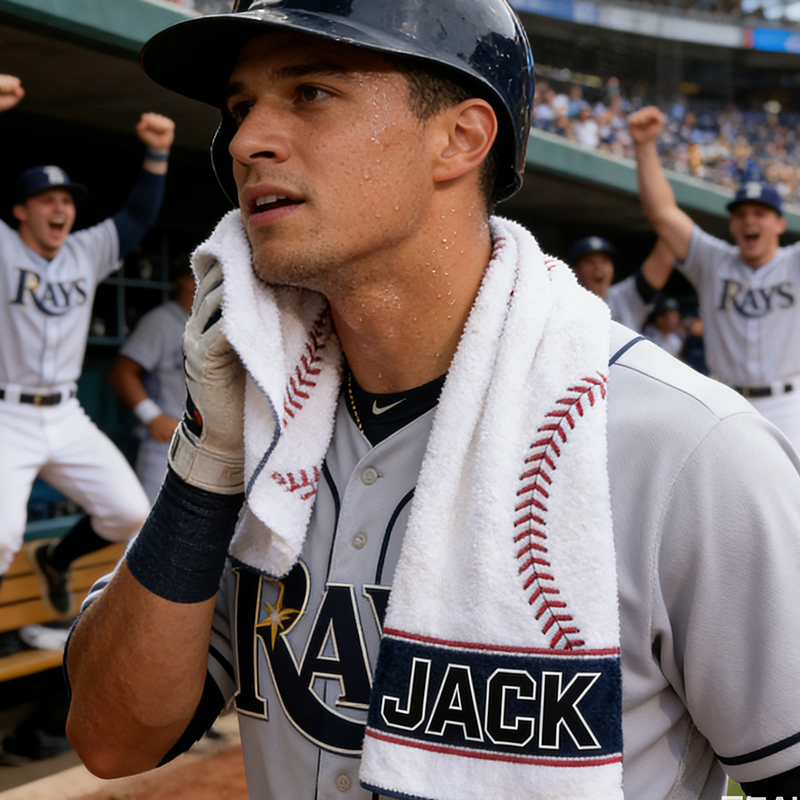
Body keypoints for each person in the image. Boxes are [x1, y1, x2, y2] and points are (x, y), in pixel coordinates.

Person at [64, 3, 800, 800]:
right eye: (241, 108)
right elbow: (112, 738)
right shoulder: (256, 428)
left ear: (462, 138)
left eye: (310, 93)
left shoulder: (688, 447)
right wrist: (204, 463)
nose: (245, 142)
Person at [0, 73, 174, 617]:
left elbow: (138, 216)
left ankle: (57, 557)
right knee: (0, 539)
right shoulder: (3, 246)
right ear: (21, 211)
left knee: (131, 516)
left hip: (66, 412)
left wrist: (159, 154)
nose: (60, 208)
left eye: (66, 200)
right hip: (7, 415)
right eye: (45, 199)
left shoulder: (85, 250)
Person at [629, 104, 800, 452]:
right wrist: (645, 146)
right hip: (726, 402)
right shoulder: (712, 260)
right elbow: (662, 214)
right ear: (733, 224)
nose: (749, 220)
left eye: (760, 213)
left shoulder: (794, 262)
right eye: (741, 214)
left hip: (788, 403)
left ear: (780, 224)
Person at [108, 257, 197, 503]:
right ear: (186, 281)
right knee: (148, 528)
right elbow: (121, 372)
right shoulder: (161, 321)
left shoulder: (208, 323)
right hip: (164, 445)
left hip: (202, 445)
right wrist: (152, 416)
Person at [567, 235, 672, 331]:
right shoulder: (565, 304)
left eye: (604, 261)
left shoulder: (624, 297)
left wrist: (669, 228)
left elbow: (660, 265)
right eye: (589, 261)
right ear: (574, 270)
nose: (598, 267)